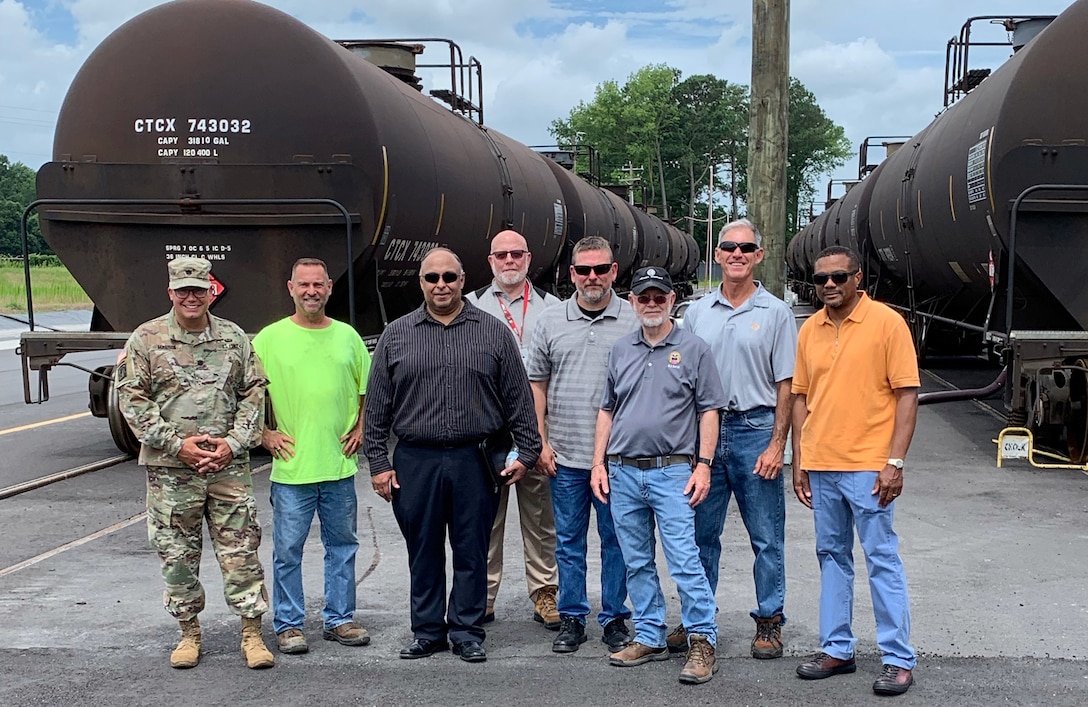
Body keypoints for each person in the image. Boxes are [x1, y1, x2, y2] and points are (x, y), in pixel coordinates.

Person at [364, 247, 542, 664]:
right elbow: (376, 408)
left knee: (471, 549)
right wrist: (378, 462)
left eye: (449, 277)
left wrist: (528, 450)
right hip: (415, 460)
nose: (440, 285)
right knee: (422, 549)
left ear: (463, 280)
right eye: (432, 278)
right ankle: (427, 632)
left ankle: (466, 630)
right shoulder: (397, 335)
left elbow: (518, 398)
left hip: (474, 460)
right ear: (421, 283)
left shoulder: (493, 333)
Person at [116, 256, 274, 670]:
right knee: (176, 555)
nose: (191, 296)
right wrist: (177, 445)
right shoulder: (146, 339)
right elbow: (132, 401)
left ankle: (252, 634)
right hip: (172, 472)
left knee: (241, 551)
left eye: (198, 290)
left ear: (211, 292)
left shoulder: (233, 338)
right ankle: (189, 634)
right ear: (171, 292)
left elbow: (254, 393)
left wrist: (233, 442)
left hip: (228, 467)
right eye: (183, 289)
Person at [791, 245, 919, 696]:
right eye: (822, 278)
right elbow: (800, 398)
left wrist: (894, 462)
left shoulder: (887, 324)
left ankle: (898, 659)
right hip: (822, 464)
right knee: (832, 558)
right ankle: (837, 648)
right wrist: (801, 461)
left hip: (868, 467)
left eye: (839, 277)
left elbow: (906, 395)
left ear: (857, 278)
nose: (829, 285)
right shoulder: (809, 330)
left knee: (881, 558)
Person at [590, 267, 726, 684]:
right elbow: (606, 409)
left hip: (672, 472)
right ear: (632, 302)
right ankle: (649, 634)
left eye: (659, 297)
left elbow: (709, 410)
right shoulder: (620, 350)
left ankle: (702, 640)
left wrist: (704, 465)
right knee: (636, 562)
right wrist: (598, 463)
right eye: (643, 297)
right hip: (623, 472)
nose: (651, 304)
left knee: (685, 560)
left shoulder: (694, 348)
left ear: (671, 301)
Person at [678, 218, 797, 659]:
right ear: (717, 254)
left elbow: (787, 384)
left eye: (746, 248)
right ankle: (698, 621)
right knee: (700, 536)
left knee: (766, 535)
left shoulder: (776, 313)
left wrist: (776, 445)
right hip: (707, 435)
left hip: (755, 429)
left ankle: (769, 620)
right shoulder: (697, 313)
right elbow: (683, 380)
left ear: (759, 256)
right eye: (729, 246)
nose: (737, 254)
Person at [252, 258, 371, 655]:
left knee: (343, 546)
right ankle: (288, 625)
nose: (311, 291)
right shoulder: (269, 340)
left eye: (318, 284)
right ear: (290, 288)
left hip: (338, 466)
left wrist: (362, 427)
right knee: (288, 551)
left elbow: (367, 389)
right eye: (303, 284)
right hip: (291, 469)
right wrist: (262, 434)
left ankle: (340, 619)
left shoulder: (348, 338)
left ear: (330, 287)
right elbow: (243, 391)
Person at [525, 235, 635, 654]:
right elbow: (537, 383)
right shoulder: (550, 321)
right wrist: (540, 441)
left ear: (613, 271)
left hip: (617, 458)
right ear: (572, 274)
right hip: (566, 456)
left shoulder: (632, 318)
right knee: (568, 541)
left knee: (617, 541)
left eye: (601, 269)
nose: (593, 277)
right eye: (584, 270)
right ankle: (572, 617)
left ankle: (614, 618)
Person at [464, 230, 562, 629]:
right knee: (486, 517)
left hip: (538, 427)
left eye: (516, 254)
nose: (509, 261)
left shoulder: (552, 308)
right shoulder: (471, 307)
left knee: (541, 517)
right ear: (490, 261)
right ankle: (483, 596)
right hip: (489, 429)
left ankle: (545, 593)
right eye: (501, 255)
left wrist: (543, 437)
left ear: (528, 258)